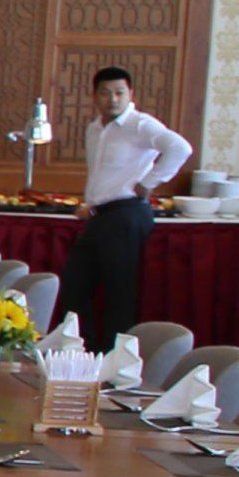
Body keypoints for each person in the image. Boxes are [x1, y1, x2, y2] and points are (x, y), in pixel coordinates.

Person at [74, 64, 191, 351]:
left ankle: (114, 362)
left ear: (130, 94)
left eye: (119, 93)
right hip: (101, 215)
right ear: (95, 96)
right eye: (105, 93)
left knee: (119, 294)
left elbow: (180, 148)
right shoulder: (94, 129)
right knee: (75, 287)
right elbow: (101, 173)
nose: (113, 99)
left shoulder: (140, 124)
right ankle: (82, 354)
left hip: (127, 214)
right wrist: (91, 202)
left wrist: (150, 181)